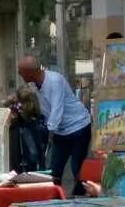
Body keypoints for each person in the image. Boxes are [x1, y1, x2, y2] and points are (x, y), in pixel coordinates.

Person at [16, 53, 92, 196]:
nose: (19, 74)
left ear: (31, 72)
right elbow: (41, 108)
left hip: (78, 126)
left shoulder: (55, 80)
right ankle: (53, 198)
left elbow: (57, 109)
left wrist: (49, 132)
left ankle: (83, 199)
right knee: (54, 170)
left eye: (21, 71)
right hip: (60, 130)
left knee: (76, 167)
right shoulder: (33, 85)